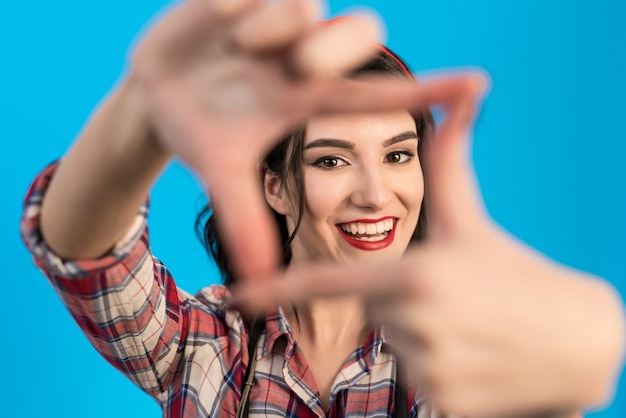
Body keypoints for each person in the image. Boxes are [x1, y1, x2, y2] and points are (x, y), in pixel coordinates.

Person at [20, 0, 624, 417]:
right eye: (332, 161)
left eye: (397, 155)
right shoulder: (205, 341)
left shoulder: (456, 352)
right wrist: (141, 116)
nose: (375, 193)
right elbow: (84, 255)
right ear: (275, 187)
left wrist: (562, 383)